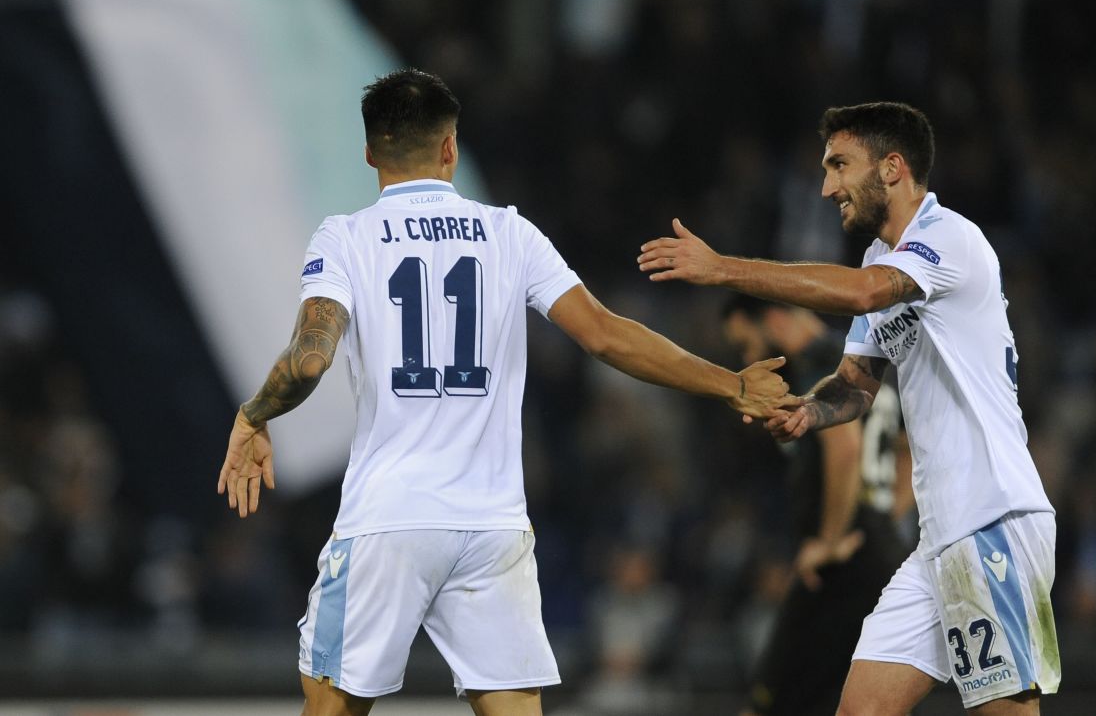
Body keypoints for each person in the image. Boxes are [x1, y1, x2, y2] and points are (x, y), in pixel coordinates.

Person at [216, 68, 800, 716]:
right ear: (450, 147)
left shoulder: (345, 238)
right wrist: (731, 383)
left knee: (330, 711)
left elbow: (309, 357)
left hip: (389, 517)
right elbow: (605, 335)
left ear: (369, 152)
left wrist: (255, 415)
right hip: (491, 522)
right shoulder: (509, 233)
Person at [639, 101, 1061, 714]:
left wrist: (724, 269)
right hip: (937, 539)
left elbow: (864, 296)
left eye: (839, 165)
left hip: (994, 520)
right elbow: (856, 385)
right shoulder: (879, 260)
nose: (826, 185)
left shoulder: (951, 238)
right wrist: (807, 413)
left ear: (892, 168)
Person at [721, 295, 910, 716]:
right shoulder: (866, 366)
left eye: (747, 345)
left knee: (767, 704)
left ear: (772, 318)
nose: (749, 358)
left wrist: (831, 538)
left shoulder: (820, 365)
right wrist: (882, 516)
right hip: (882, 554)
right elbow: (909, 451)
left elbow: (843, 446)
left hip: (839, 565)